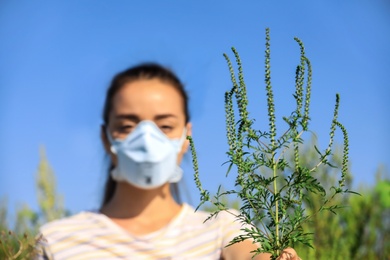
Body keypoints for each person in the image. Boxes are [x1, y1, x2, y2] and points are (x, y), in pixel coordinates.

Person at [36, 63, 300, 260]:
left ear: (186, 137)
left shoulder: (222, 228)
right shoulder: (57, 240)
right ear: (106, 138)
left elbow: (249, 253)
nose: (147, 139)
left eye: (164, 125)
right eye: (128, 126)